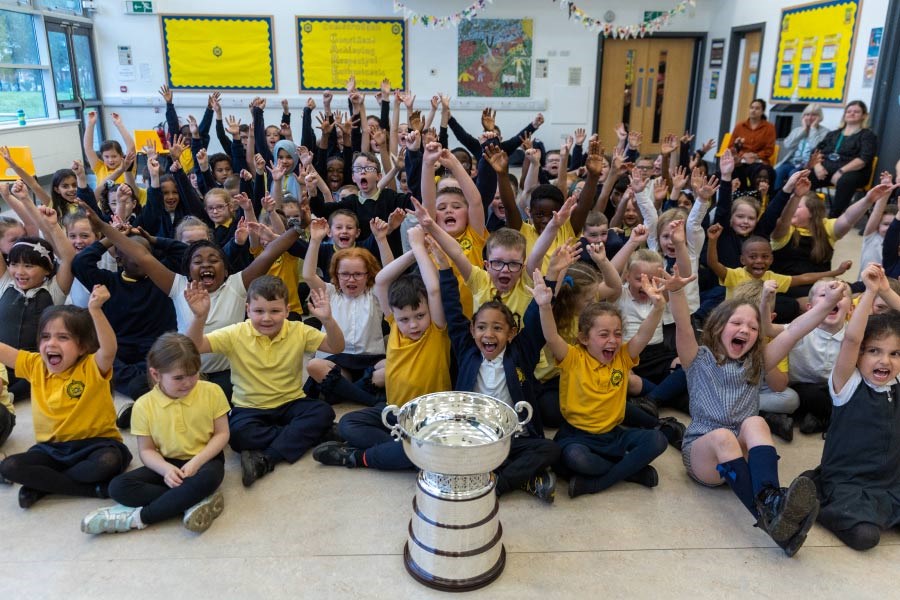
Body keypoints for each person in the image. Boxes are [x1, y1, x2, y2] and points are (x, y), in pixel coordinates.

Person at [670, 265, 845, 556]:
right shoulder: (697, 359)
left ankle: (773, 501)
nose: (745, 330)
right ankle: (770, 515)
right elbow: (683, 325)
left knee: (755, 422)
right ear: (717, 327)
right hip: (704, 456)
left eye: (753, 328)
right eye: (737, 323)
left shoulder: (757, 362)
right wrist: (676, 291)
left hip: (742, 453)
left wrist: (826, 304)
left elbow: (797, 330)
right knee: (724, 435)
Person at [311, 226, 451, 470]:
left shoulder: (436, 332)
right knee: (348, 424)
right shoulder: (394, 326)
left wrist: (419, 248)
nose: (413, 324)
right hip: (395, 411)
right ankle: (401, 451)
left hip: (429, 418)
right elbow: (383, 280)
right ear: (394, 316)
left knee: (432, 450)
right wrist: (412, 253)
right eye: (405, 319)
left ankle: (360, 457)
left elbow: (434, 289)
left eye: (420, 316)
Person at [185, 276, 342, 487]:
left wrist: (328, 320)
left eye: (275, 311)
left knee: (323, 412)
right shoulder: (235, 333)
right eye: (259, 311)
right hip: (249, 407)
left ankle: (267, 458)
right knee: (237, 436)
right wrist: (199, 317)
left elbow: (336, 347)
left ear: (287, 310)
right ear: (248, 310)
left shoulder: (298, 330)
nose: (267, 318)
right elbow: (193, 347)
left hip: (291, 402)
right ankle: (309, 434)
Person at [535, 269, 668, 498]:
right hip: (576, 437)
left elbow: (643, 336)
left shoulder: (623, 357)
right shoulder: (573, 358)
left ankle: (598, 482)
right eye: (604, 334)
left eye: (617, 334)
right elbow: (552, 337)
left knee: (657, 439)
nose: (613, 340)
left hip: (613, 436)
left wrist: (658, 308)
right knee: (575, 459)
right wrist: (545, 306)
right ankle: (631, 472)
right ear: (584, 338)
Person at [81, 333, 230, 535]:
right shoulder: (143, 405)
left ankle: (138, 518)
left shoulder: (212, 391)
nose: (188, 382)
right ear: (156, 374)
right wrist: (166, 470)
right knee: (118, 487)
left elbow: (222, 434)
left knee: (208, 479)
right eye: (178, 378)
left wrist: (196, 462)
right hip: (166, 463)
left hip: (204, 461)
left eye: (194, 373)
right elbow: (147, 451)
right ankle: (191, 500)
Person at [0, 286, 133, 508]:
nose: (51, 343)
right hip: (51, 449)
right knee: (10, 466)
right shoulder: (35, 365)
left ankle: (43, 484)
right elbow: (4, 351)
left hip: (96, 445)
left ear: (82, 347)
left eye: (63, 337)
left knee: (106, 463)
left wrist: (96, 310)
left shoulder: (91, 366)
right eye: (45, 337)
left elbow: (109, 349)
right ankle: (89, 490)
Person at [808, 264, 900, 550]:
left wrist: (885, 289)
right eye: (874, 351)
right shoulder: (847, 384)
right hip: (848, 483)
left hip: (890, 481)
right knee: (865, 537)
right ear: (859, 355)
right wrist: (870, 293)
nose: (885, 361)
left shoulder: (896, 382)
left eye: (895, 353)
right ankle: (814, 502)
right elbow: (851, 338)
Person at [807, 100, 878, 217]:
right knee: (804, 175)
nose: (852, 114)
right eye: (849, 111)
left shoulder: (867, 135)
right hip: (826, 171)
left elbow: (864, 159)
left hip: (854, 172)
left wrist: (841, 171)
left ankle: (833, 218)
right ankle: (808, 212)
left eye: (856, 112)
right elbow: (816, 151)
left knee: (845, 180)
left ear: (864, 116)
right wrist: (817, 166)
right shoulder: (833, 134)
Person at [773, 103, 829, 190]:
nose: (810, 118)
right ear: (803, 116)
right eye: (807, 114)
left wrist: (813, 129)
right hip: (792, 162)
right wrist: (803, 130)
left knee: (794, 174)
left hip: (808, 165)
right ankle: (775, 198)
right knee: (778, 171)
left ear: (819, 117)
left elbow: (815, 147)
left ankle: (792, 199)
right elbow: (787, 145)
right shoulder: (798, 130)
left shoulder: (825, 132)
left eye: (813, 115)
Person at [729, 99, 777, 167]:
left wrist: (755, 156)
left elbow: (769, 150)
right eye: (752, 108)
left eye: (757, 108)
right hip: (741, 159)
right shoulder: (739, 126)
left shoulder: (769, 127)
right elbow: (731, 147)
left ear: (762, 111)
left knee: (760, 172)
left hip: (760, 160)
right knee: (730, 168)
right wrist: (743, 155)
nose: (753, 110)